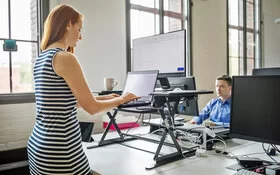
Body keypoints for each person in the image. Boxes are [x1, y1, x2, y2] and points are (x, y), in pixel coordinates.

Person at [27, 4, 138, 175]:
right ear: (68, 24)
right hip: (61, 151)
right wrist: (122, 100)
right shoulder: (64, 57)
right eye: (79, 29)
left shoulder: (41, 59)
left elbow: (67, 103)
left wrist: (107, 99)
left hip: (39, 147)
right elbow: (91, 108)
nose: (80, 37)